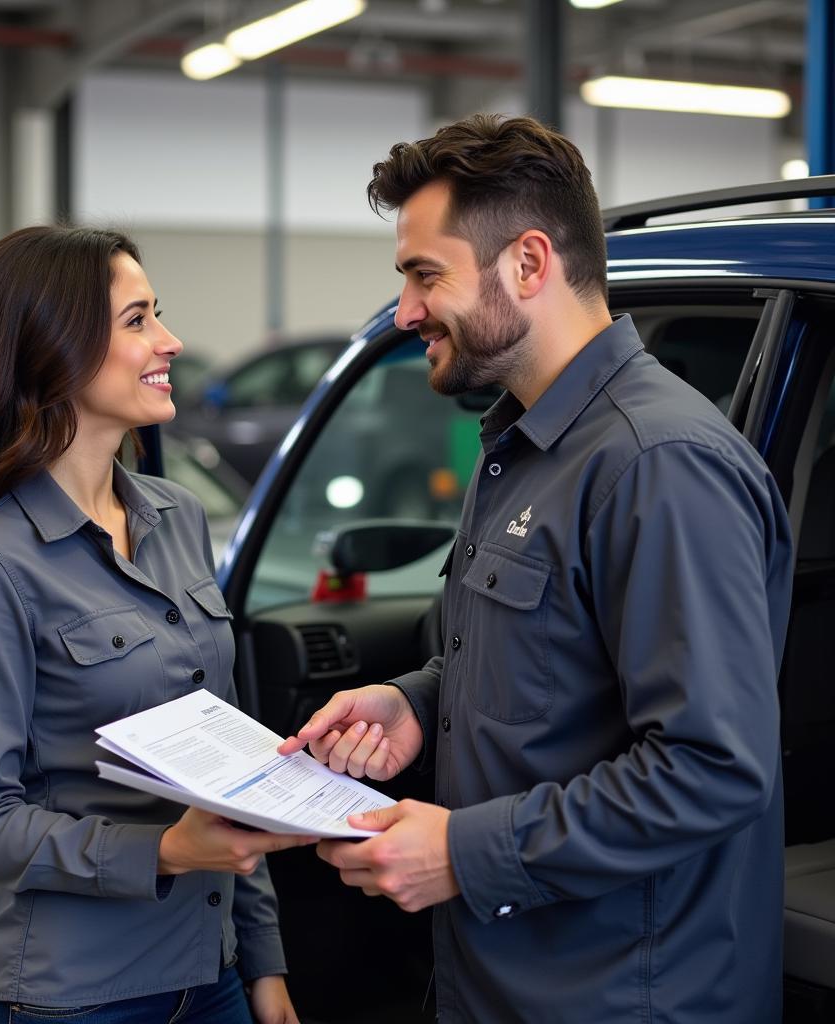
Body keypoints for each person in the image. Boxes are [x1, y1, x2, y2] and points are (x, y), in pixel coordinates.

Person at [278, 114, 793, 1023]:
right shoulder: (524, 444)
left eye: (423, 275)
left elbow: (712, 765)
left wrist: (461, 853)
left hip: (623, 997)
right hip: (507, 981)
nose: (403, 313)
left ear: (527, 263)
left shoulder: (657, 464)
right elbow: (558, 660)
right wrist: (418, 702)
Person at [0, 226, 310, 1024]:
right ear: (54, 350)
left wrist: (264, 961)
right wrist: (164, 850)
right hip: (68, 998)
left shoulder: (176, 516)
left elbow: (230, 766)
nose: (170, 341)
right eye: (139, 320)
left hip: (210, 977)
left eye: (159, 315)